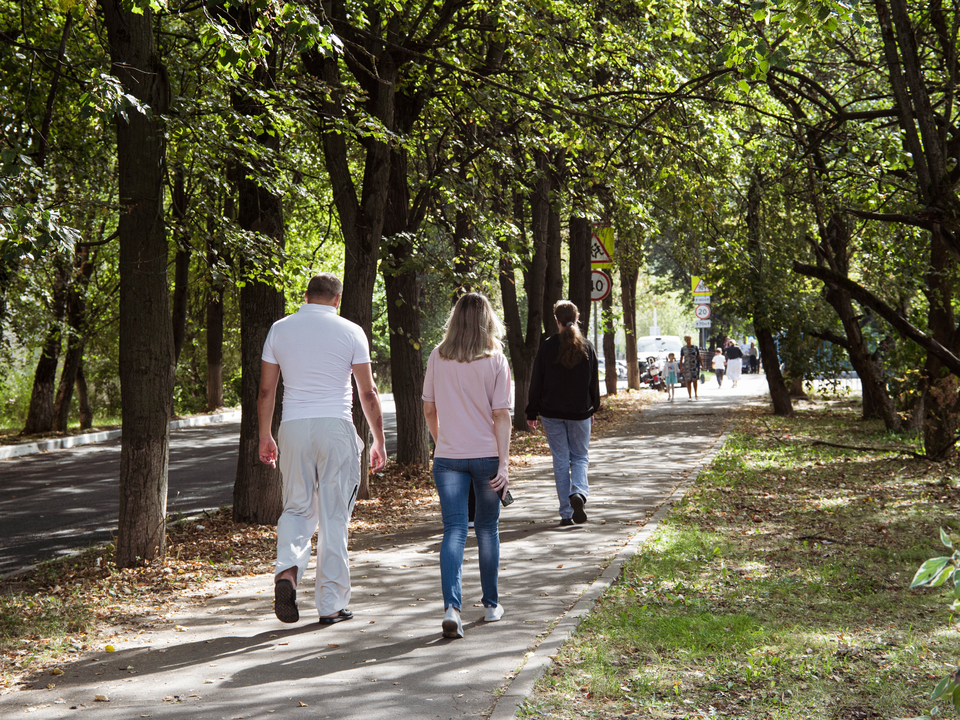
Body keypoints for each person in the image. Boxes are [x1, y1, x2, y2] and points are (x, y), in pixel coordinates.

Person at [258, 273, 386, 626]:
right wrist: (379, 438)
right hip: (335, 427)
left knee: (297, 508)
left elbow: (267, 392)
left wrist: (265, 436)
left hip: (294, 428)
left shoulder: (280, 329)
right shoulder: (351, 331)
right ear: (337, 299)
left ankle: (287, 571)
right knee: (333, 517)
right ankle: (330, 604)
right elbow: (368, 393)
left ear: (305, 295)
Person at [422, 292, 512, 639]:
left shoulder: (437, 356)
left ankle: (451, 608)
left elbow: (429, 409)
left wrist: (441, 440)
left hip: (448, 458)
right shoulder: (496, 359)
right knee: (487, 529)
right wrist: (503, 463)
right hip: (487, 456)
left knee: (455, 529)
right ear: (487, 320)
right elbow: (501, 415)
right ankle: (490, 606)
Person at [526, 300, 601, 526]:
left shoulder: (547, 346)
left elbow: (537, 380)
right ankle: (578, 492)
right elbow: (593, 383)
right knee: (580, 456)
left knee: (560, 460)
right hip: (579, 413)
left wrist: (531, 411)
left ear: (556, 320)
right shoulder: (587, 347)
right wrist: (592, 408)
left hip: (551, 412)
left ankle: (566, 514)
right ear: (577, 318)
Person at [679, 335, 703, 400]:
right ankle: (690, 396)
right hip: (687, 367)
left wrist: (702, 365)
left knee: (695, 380)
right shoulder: (683, 348)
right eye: (686, 339)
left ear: (691, 339)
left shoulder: (695, 347)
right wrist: (681, 367)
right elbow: (681, 358)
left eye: (689, 339)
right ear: (685, 340)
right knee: (688, 381)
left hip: (695, 366)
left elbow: (699, 356)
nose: (688, 340)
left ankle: (696, 394)